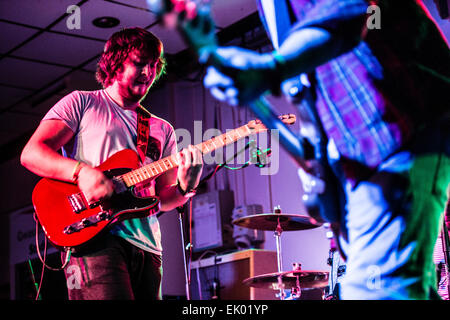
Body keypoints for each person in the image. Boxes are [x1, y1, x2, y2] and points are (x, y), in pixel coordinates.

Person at [203, 0, 450, 299]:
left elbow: (356, 9)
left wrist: (271, 67)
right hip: (361, 154)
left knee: (375, 291)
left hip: (399, 127)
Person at [20, 27, 203, 300]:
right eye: (140, 63)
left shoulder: (161, 129)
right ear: (116, 63)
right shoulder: (82, 103)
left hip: (149, 249)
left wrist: (186, 187)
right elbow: (32, 153)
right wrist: (82, 173)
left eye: (153, 65)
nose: (148, 72)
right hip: (93, 239)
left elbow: (162, 199)